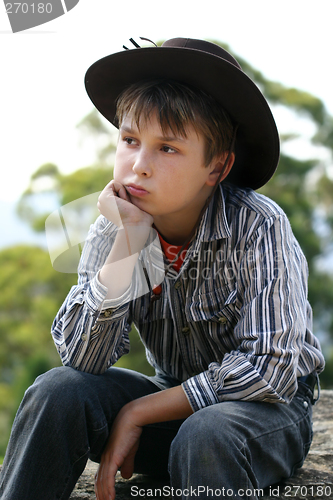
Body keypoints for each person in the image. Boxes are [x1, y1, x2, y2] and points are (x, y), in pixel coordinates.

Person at [0, 37, 325, 500]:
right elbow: (82, 360)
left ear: (216, 167)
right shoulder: (115, 228)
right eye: (130, 140)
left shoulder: (257, 225)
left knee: (208, 433)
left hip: (261, 417)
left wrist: (139, 412)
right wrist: (128, 244)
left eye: (167, 149)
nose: (139, 166)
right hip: (170, 407)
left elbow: (271, 369)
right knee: (57, 390)